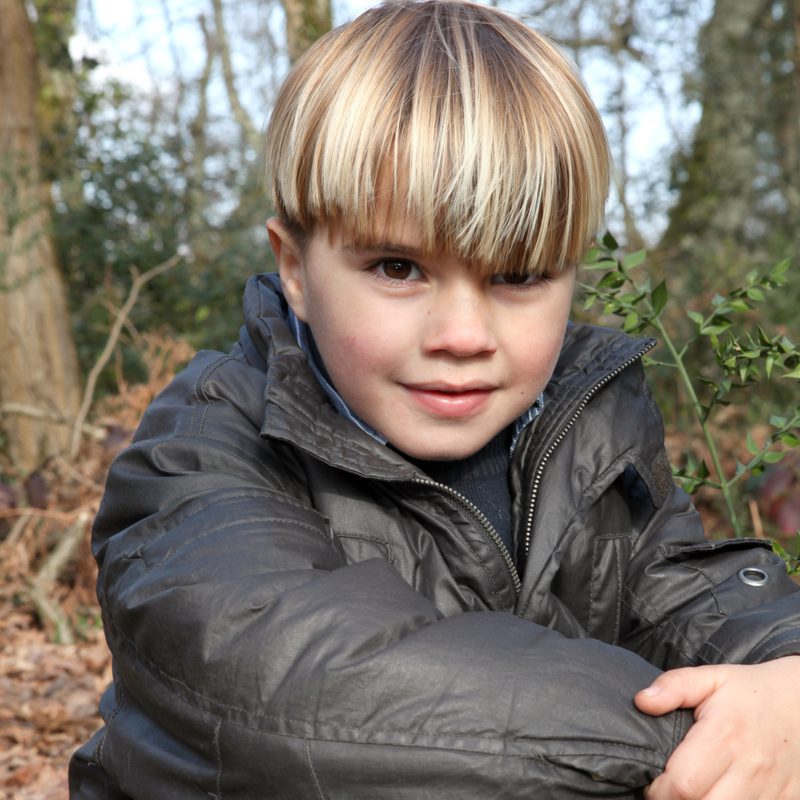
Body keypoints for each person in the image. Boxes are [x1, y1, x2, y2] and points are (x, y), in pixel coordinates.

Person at [69, 1, 800, 798]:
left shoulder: (592, 433)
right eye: (396, 268)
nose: (461, 334)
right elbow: (296, 696)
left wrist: (786, 683)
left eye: (517, 276)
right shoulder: (204, 448)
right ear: (295, 269)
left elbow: (689, 595)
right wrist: (718, 742)